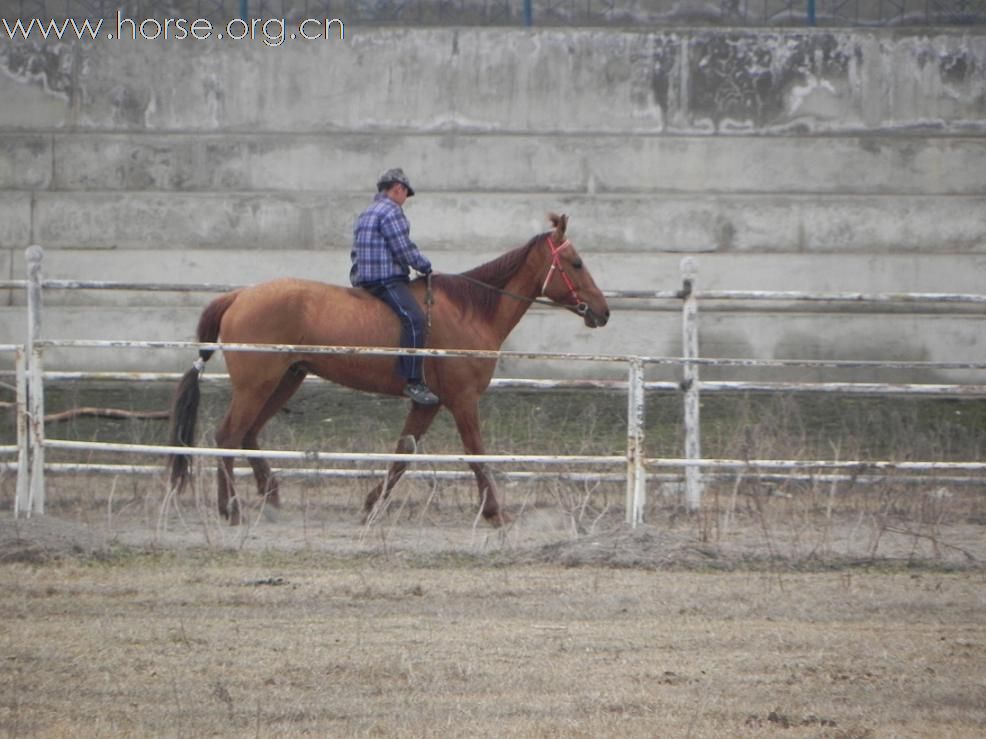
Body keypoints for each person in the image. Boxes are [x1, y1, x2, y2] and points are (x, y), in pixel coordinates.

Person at [350, 168, 440, 406]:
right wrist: (426, 268)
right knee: (415, 320)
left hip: (364, 280)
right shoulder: (391, 211)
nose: (405, 200)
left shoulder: (366, 213)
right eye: (405, 195)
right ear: (397, 189)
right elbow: (403, 249)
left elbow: (354, 252)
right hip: (385, 280)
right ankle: (413, 382)